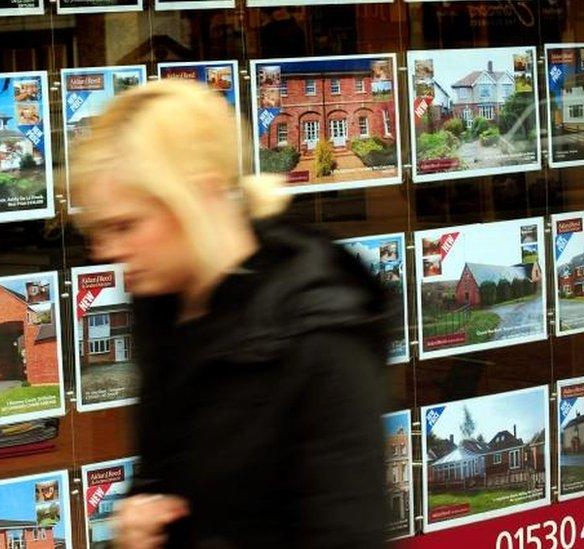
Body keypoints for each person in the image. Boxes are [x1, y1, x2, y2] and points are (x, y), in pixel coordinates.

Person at [70, 79, 390, 549]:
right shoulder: (167, 307)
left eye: (125, 225)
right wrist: (140, 520)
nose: (106, 251)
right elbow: (179, 477)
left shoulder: (323, 342)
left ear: (202, 195)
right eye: (100, 230)